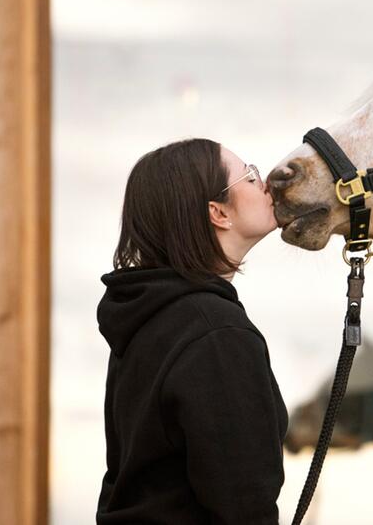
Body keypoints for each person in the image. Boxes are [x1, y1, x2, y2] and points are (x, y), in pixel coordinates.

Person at [95, 138, 287, 524]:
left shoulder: (150, 319)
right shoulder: (216, 332)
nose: (266, 182)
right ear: (218, 212)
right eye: (249, 177)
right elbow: (245, 507)